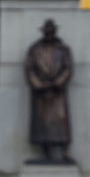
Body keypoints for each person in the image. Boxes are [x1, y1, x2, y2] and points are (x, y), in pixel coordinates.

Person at [25, 19, 73, 163]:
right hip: (41, 93)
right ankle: (46, 152)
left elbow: (68, 68)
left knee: (60, 122)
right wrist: (40, 85)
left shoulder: (63, 49)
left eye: (51, 30)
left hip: (57, 93)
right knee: (42, 125)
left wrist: (57, 83)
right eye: (46, 30)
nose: (49, 33)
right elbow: (29, 69)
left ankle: (65, 152)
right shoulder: (34, 49)